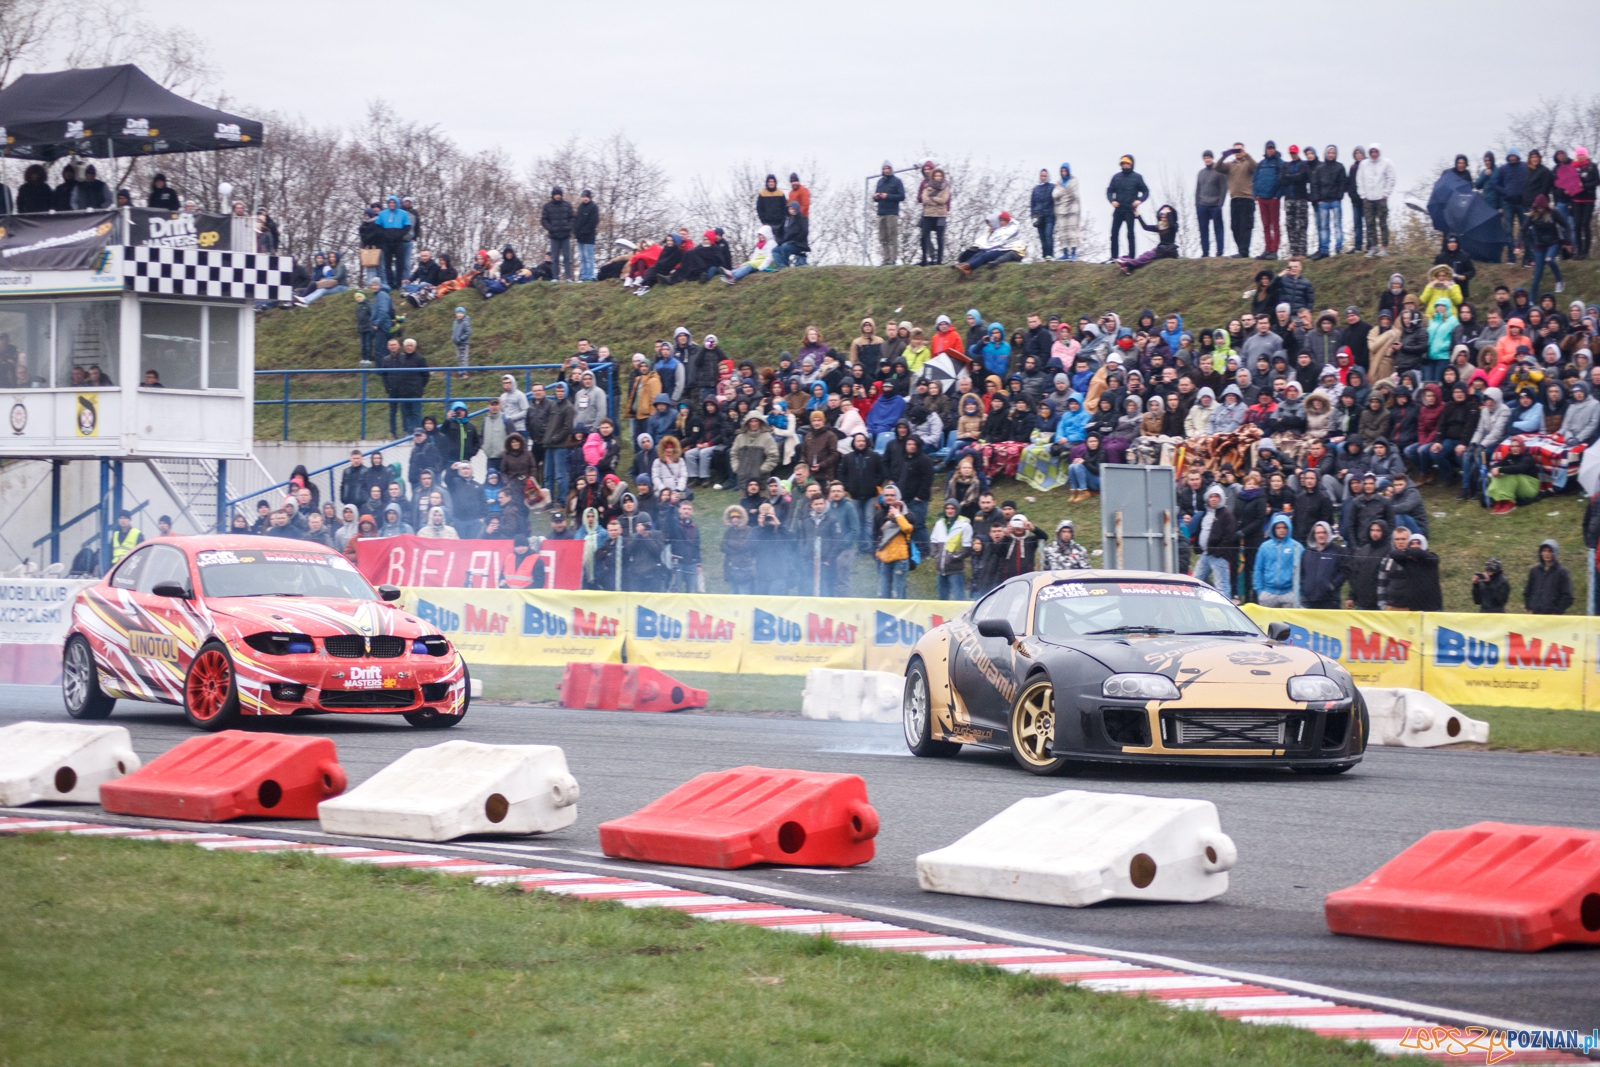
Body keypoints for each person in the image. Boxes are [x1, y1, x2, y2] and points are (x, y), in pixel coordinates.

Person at [1190, 485, 1236, 592]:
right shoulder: (1206, 513)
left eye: (1216, 496)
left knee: (1222, 585)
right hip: (1205, 554)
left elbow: (1230, 536)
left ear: (1221, 498)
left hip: (1218, 556)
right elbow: (1200, 530)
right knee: (1195, 581)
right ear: (1208, 498)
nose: (1214, 499)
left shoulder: (1227, 515)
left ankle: (1224, 602)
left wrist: (1219, 551)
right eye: (1211, 496)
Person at [1106, 154, 1149, 259]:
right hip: (1119, 209)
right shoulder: (1116, 177)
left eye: (1127, 163)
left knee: (1130, 234)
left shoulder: (1137, 177)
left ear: (1132, 164)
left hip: (1130, 209)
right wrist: (1112, 201)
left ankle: (1132, 257)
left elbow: (1146, 191)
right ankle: (1114, 257)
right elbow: (1109, 190)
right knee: (1114, 233)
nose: (1125, 165)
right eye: (1123, 163)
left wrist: (1139, 200)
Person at [1253, 515, 1301, 607]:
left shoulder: (1296, 546)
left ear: (1289, 528)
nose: (1282, 530)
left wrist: (1297, 593)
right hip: (1268, 593)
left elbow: (1302, 571)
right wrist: (1259, 591)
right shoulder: (1265, 547)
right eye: (1278, 527)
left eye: (1284, 527)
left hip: (1289, 593)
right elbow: (1258, 569)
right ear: (1273, 529)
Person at [1357, 143, 1395, 257]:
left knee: (1383, 223)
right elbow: (1359, 179)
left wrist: (1385, 193)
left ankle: (1384, 247)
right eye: (1372, 152)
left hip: (1381, 198)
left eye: (1375, 152)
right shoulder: (1364, 164)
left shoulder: (1386, 163)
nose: (1374, 154)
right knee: (1370, 223)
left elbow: (1391, 178)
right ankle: (1373, 247)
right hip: (1368, 199)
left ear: (1379, 152)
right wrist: (1363, 195)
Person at [931, 499, 973, 600]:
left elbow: (967, 548)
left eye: (952, 508)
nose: (950, 511)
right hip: (941, 569)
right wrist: (936, 555)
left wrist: (953, 557)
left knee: (959, 598)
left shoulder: (964, 525)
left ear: (957, 510)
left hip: (955, 570)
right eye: (947, 508)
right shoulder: (939, 523)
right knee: (942, 600)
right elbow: (933, 541)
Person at [1299, 522, 1347, 609]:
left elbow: (1344, 571)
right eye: (1318, 533)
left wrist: (1333, 585)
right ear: (1314, 534)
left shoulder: (1338, 550)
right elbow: (1302, 573)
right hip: (1308, 600)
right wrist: (1305, 587)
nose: (1321, 535)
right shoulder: (1307, 552)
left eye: (1324, 532)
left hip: (1330, 600)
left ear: (1328, 533)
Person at [1310, 145, 1347, 259]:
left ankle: (1338, 248)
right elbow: (1315, 184)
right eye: (1329, 153)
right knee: (1323, 227)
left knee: (1337, 224)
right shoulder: (1320, 168)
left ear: (1336, 154)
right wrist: (1318, 199)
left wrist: (1339, 196)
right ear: (1326, 154)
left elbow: (1342, 183)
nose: (1331, 155)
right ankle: (1324, 250)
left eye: (1333, 153)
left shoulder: (1340, 167)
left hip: (1335, 200)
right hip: (1323, 201)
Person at [1523, 539, 1574, 615]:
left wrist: (1557, 611)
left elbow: (1567, 596)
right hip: (1535, 615)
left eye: (1550, 551)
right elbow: (1527, 592)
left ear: (1555, 553)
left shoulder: (1562, 572)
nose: (1547, 554)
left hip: (1552, 616)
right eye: (1544, 551)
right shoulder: (1534, 571)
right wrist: (1529, 608)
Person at [1195, 150, 1227, 258]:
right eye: (1205, 158)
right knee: (1203, 229)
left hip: (1215, 205)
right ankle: (1205, 252)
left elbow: (1223, 188)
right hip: (1202, 205)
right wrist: (1197, 204)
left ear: (1212, 158)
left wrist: (1220, 204)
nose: (1207, 160)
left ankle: (1220, 251)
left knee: (1218, 229)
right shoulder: (1200, 173)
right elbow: (1198, 189)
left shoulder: (1219, 171)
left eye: (1209, 157)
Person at [917, 165, 952, 265]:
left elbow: (944, 200)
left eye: (940, 176)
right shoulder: (926, 186)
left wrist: (931, 199)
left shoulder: (946, 187)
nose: (938, 177)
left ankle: (939, 261)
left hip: (940, 215)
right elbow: (924, 199)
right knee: (924, 236)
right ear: (933, 176)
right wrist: (936, 201)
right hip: (928, 214)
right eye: (936, 175)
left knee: (940, 238)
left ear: (942, 176)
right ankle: (924, 259)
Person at [540, 186, 575, 282]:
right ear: (553, 195)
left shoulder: (567, 205)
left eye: (559, 194)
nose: (557, 196)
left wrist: (569, 227)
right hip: (554, 236)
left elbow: (572, 218)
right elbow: (544, 220)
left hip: (565, 235)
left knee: (567, 257)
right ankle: (555, 277)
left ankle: (568, 277)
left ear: (561, 195)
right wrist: (550, 228)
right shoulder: (547, 206)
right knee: (554, 258)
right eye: (556, 195)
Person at [874, 162, 905, 264]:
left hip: (892, 213)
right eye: (884, 169)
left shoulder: (897, 181)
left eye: (888, 168)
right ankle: (886, 259)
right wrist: (876, 197)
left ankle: (893, 259)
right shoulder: (880, 182)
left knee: (892, 237)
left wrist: (887, 196)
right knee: (882, 237)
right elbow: (875, 198)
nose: (886, 170)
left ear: (891, 169)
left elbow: (902, 196)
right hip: (881, 212)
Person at [1052, 163, 1081, 261]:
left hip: (1072, 210)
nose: (1064, 173)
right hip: (1061, 211)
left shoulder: (1074, 181)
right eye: (1062, 171)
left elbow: (1074, 195)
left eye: (1065, 171)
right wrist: (1065, 192)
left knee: (1072, 231)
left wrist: (1063, 194)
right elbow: (1054, 195)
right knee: (1063, 232)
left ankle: (1073, 253)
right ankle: (1065, 253)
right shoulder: (1059, 182)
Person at [774, 199, 810, 268]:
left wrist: (794, 241)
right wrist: (779, 241)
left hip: (798, 244)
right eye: (790, 209)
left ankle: (786, 266)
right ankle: (781, 267)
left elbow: (804, 232)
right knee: (775, 250)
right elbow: (779, 232)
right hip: (786, 242)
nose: (792, 210)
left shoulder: (803, 219)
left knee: (785, 247)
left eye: (794, 209)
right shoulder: (786, 219)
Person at [573, 189, 600, 281]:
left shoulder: (593, 207)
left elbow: (593, 222)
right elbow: (577, 220)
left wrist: (584, 231)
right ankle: (583, 276)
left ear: (589, 197)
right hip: (580, 237)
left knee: (588, 257)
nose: (585, 199)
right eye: (583, 197)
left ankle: (590, 275)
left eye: (586, 197)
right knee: (582, 258)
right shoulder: (580, 207)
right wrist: (576, 231)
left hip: (589, 237)